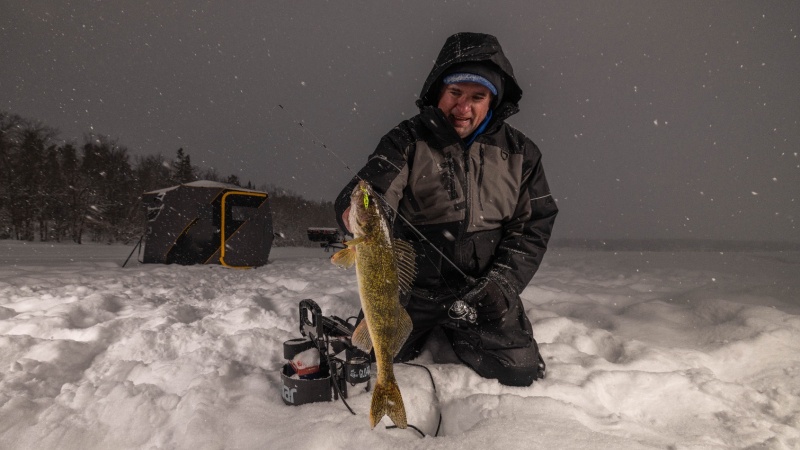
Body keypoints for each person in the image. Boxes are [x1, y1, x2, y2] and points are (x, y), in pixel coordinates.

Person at [335, 32, 558, 387]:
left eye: (477, 97)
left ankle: (464, 330)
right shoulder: (405, 140)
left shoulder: (522, 153)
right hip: (412, 289)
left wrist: (501, 286)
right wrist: (358, 210)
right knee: (369, 360)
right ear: (439, 91)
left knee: (518, 371)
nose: (463, 108)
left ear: (493, 101)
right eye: (455, 93)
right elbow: (371, 189)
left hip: (481, 292)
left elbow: (533, 228)